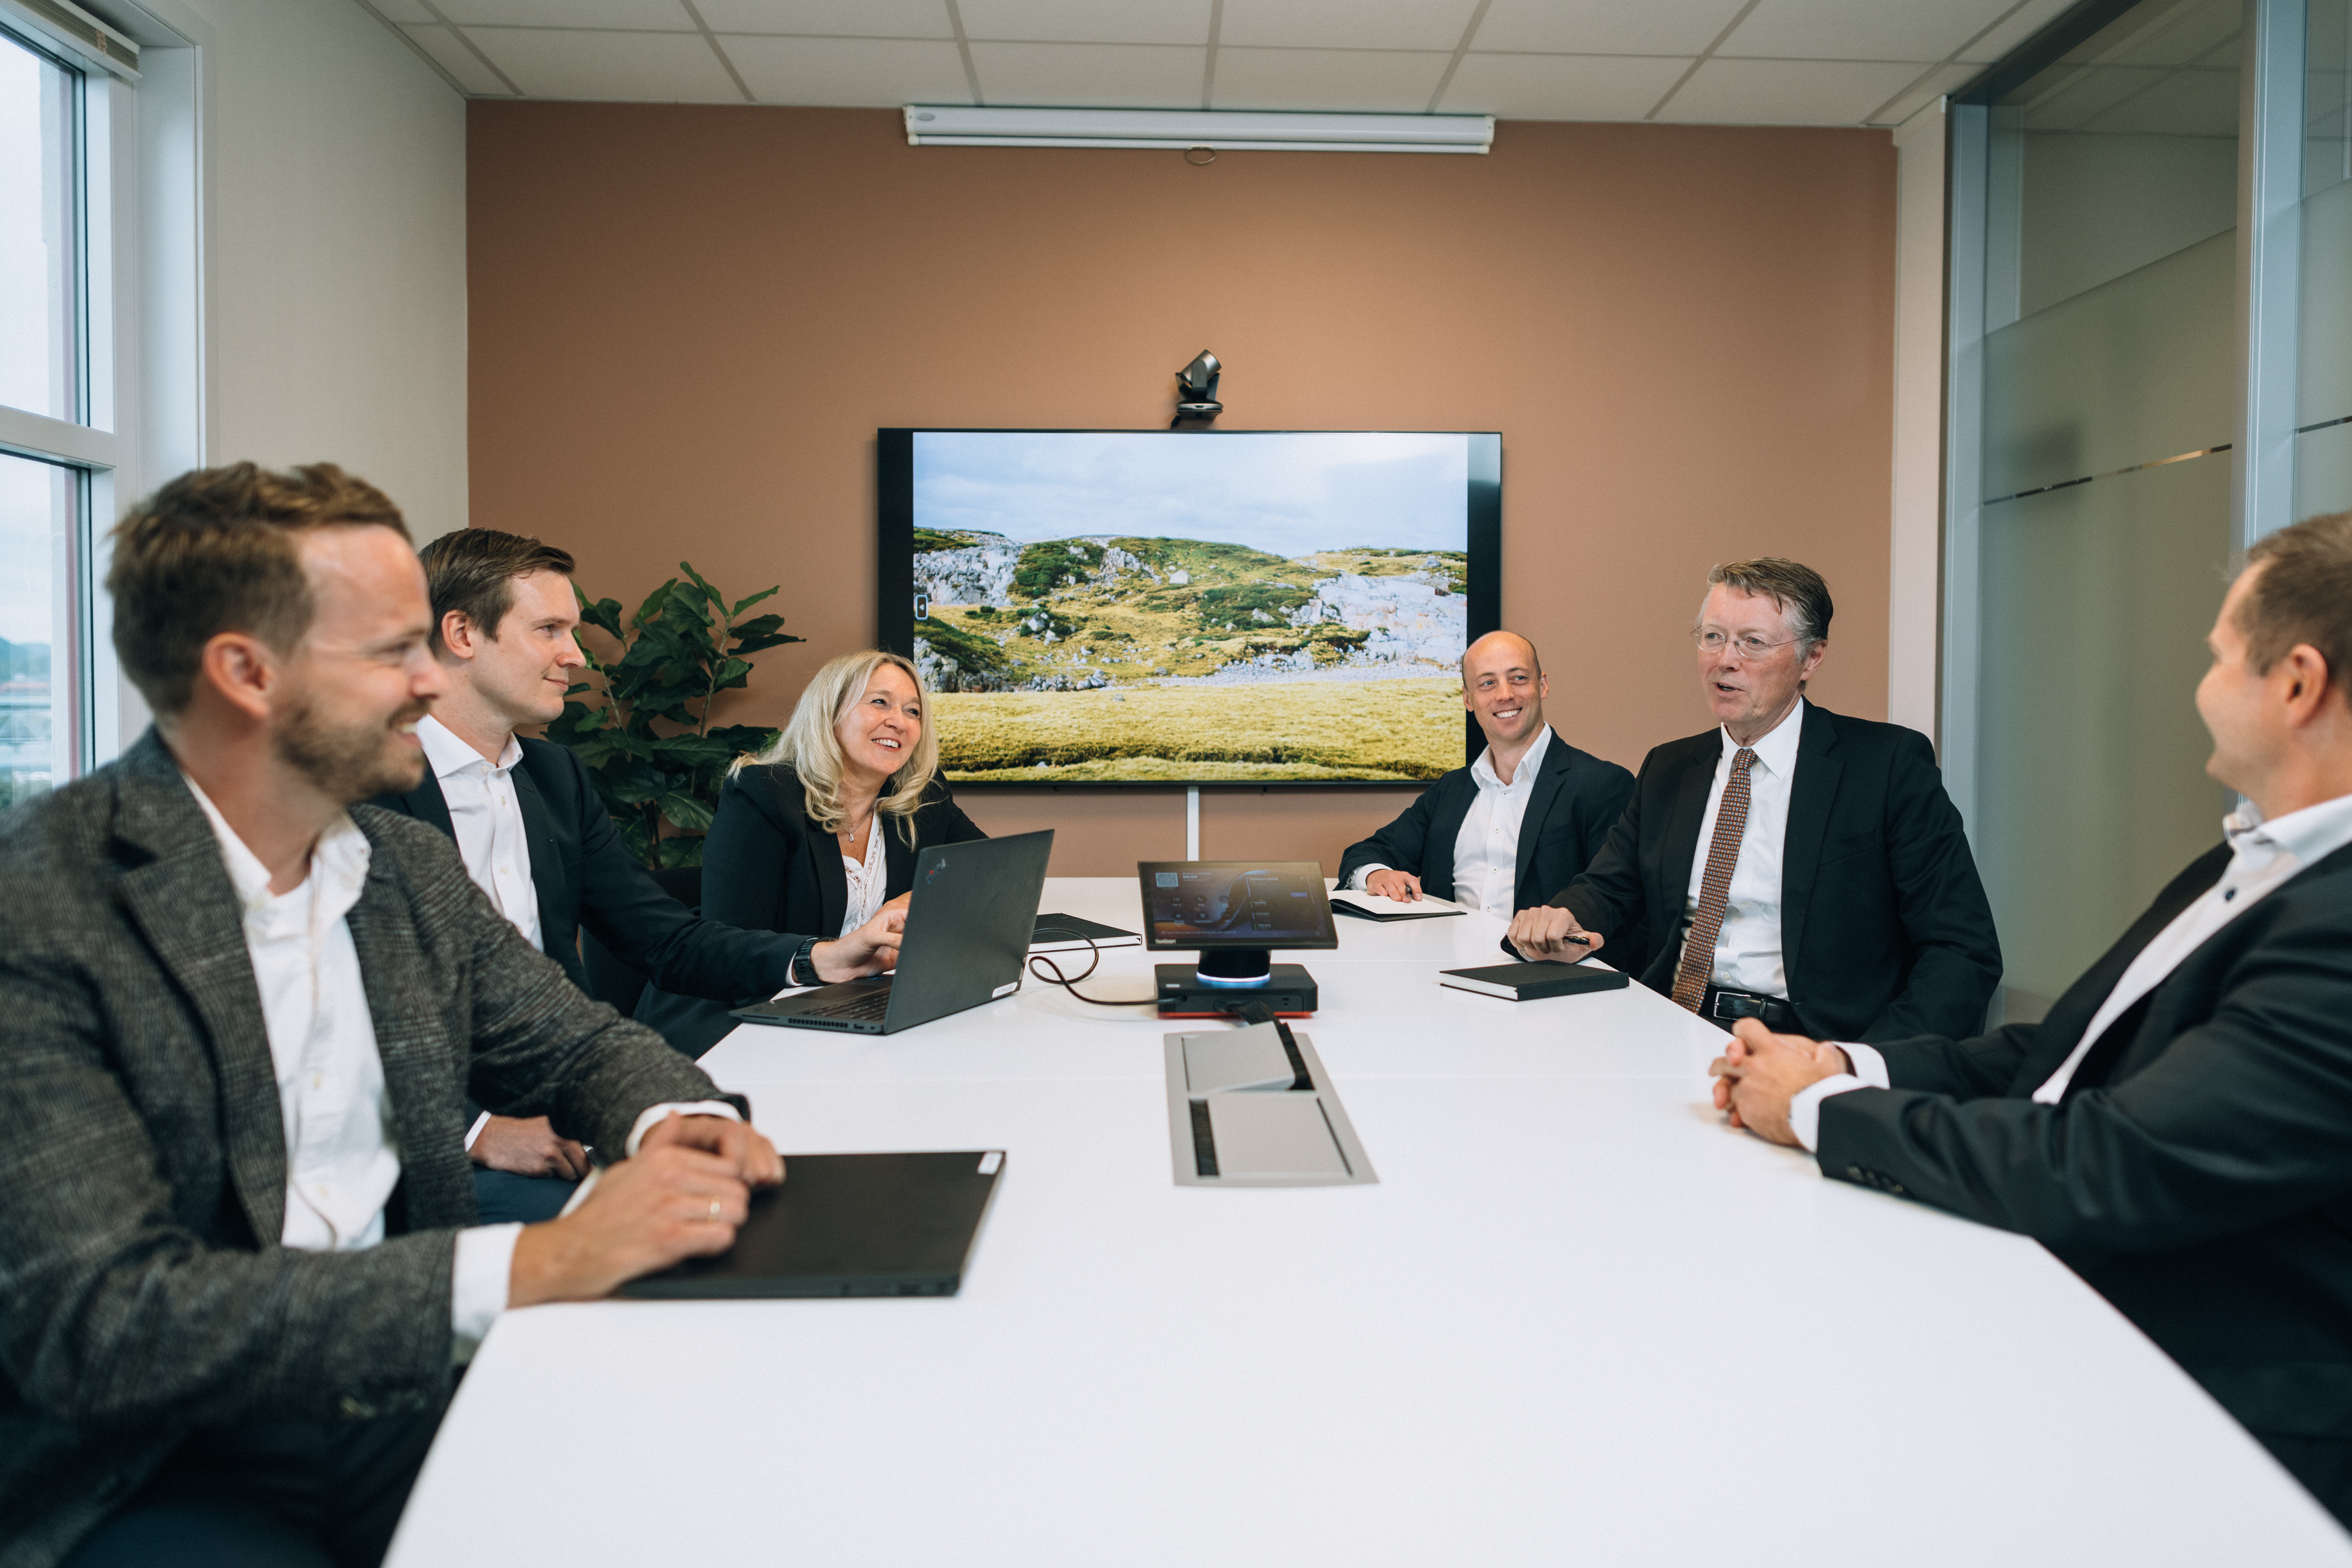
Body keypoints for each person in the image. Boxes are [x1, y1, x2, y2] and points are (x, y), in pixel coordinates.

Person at [0, 463, 786, 1568]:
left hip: (405, 1385)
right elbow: (107, 1321)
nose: (429, 682)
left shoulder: (401, 867)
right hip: (153, 1460)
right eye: (390, 652)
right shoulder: (43, 906)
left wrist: (675, 1121)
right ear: (244, 672)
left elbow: (577, 1040)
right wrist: (535, 1263)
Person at [1708, 511, 2352, 1525]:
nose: (2198, 686)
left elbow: (2112, 1162)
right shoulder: (2246, 860)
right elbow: (2060, 1051)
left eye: (2219, 656)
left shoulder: (2335, 924)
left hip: (2204, 1410)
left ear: (2296, 685)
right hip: (2050, 1271)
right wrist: (1845, 1063)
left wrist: (1814, 1108)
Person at [369, 529, 901, 1225]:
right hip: (420, 1140)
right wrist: (476, 1129)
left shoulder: (554, 777)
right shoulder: (358, 785)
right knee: (681, 1237)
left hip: (561, 1107)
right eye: (550, 630)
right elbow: (326, 1008)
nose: (575, 655)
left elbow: (664, 940)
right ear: (462, 633)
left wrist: (821, 958)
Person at [1508, 558, 1999, 1043]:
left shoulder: (1885, 767)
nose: (1725, 659)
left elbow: (1961, 951)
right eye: (1713, 636)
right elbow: (1610, 887)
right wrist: (1564, 917)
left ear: (1812, 658)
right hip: (1670, 1023)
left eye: (1753, 642)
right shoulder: (1669, 768)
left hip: (1812, 1044)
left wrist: (1863, 1065)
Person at [635, 650, 988, 1057]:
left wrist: (921, 897)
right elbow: (730, 953)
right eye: (880, 702)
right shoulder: (762, 793)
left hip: (852, 1004)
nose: (899, 721)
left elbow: (989, 872)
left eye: (913, 711)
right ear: (829, 713)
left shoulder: (922, 796)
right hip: (738, 1012)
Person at [1335, 630, 1635, 922]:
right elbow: (1368, 852)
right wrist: (1376, 874)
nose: (1505, 695)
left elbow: (1619, 900)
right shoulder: (1450, 789)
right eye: (1488, 683)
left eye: (1519, 678)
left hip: (1543, 956)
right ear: (1468, 699)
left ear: (1543, 685)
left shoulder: (1603, 785)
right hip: (1441, 953)